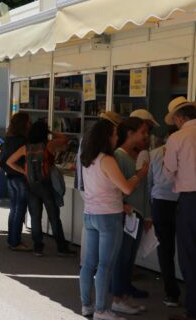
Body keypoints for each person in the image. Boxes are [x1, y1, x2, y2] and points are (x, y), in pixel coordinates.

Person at [79, 118, 148, 320]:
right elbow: (126, 187)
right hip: (108, 215)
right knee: (105, 265)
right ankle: (101, 309)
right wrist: (140, 175)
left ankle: (87, 306)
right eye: (115, 133)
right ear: (107, 136)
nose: (117, 136)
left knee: (89, 264)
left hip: (90, 214)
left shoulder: (86, 158)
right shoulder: (107, 160)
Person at [6, 120, 75, 257]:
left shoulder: (26, 147)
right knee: (54, 217)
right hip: (46, 185)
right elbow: (65, 139)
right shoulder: (48, 145)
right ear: (44, 133)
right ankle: (61, 247)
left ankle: (38, 247)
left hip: (31, 185)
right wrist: (51, 132)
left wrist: (24, 171)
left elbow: (9, 162)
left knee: (36, 217)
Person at [111, 117, 152, 315]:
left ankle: (123, 296)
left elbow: (141, 189)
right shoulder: (120, 156)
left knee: (128, 258)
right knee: (123, 257)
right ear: (130, 134)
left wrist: (147, 215)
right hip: (128, 213)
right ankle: (118, 297)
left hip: (136, 214)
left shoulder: (131, 156)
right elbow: (118, 187)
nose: (146, 137)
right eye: (142, 132)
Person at [163, 96, 196, 320]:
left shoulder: (178, 137)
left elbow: (168, 173)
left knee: (189, 255)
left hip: (191, 200)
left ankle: (193, 310)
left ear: (179, 118)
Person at [148, 125, 180, 308]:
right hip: (181, 201)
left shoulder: (155, 153)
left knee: (165, 249)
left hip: (160, 202)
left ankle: (171, 293)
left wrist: (149, 204)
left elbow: (149, 181)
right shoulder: (188, 150)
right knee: (186, 247)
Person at [1, 112, 31, 252]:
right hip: (20, 178)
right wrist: (24, 171)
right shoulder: (22, 141)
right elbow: (10, 161)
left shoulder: (8, 139)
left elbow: (3, 161)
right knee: (19, 210)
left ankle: (12, 239)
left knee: (14, 210)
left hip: (10, 177)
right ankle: (15, 241)